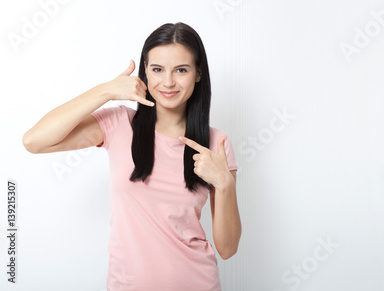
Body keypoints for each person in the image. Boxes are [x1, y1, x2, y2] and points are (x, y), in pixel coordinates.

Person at [22, 22, 241, 291]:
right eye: (157, 69)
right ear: (145, 73)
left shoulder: (216, 143)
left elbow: (228, 248)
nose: (168, 81)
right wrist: (106, 91)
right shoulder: (118, 123)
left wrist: (226, 185)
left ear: (198, 73)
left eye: (181, 70)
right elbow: (34, 141)